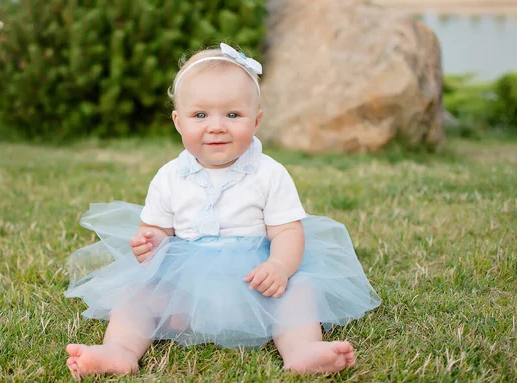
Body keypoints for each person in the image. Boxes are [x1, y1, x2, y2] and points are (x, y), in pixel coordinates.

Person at [64, 43, 381, 379]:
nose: (216, 126)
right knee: (136, 294)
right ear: (178, 122)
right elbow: (156, 228)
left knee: (299, 290)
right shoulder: (170, 176)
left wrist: (279, 266)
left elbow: (288, 231)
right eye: (200, 115)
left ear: (256, 121)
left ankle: (302, 349)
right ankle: (120, 350)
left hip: (256, 286)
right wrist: (150, 243)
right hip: (185, 293)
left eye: (232, 115)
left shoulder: (268, 173)